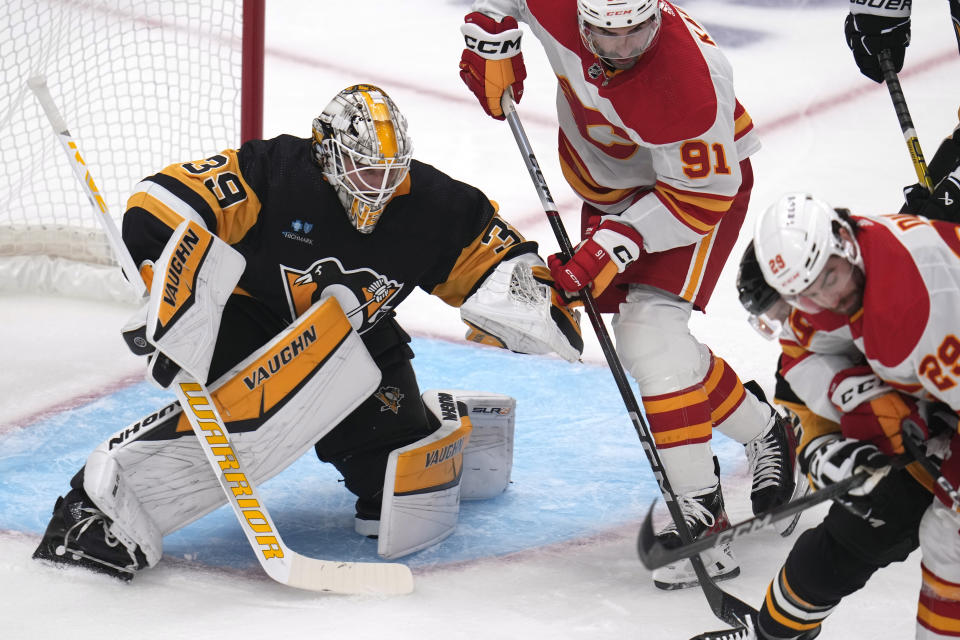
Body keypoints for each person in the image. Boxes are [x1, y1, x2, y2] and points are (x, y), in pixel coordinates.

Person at [31, 83, 584, 580]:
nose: (382, 187)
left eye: (392, 172)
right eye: (367, 171)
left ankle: (437, 420)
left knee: (398, 490)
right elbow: (163, 203)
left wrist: (537, 298)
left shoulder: (435, 207)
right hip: (249, 328)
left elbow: (497, 258)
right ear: (328, 155)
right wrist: (167, 294)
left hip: (352, 340)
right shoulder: (274, 173)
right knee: (251, 423)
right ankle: (98, 510)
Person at [457, 0, 802, 589]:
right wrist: (490, 31)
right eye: (604, 35)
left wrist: (614, 244)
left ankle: (699, 510)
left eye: (636, 33)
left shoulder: (690, 85)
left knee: (650, 336)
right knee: (654, 349)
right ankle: (766, 429)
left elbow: (700, 199)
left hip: (691, 196)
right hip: (613, 183)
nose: (619, 49)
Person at [699, 192, 960, 639]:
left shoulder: (918, 306)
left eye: (829, 280)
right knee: (837, 547)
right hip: (926, 416)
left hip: (938, 399)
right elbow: (804, 369)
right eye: (802, 295)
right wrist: (825, 453)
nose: (826, 298)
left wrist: (940, 437)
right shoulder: (823, 288)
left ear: (843, 241)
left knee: (948, 538)